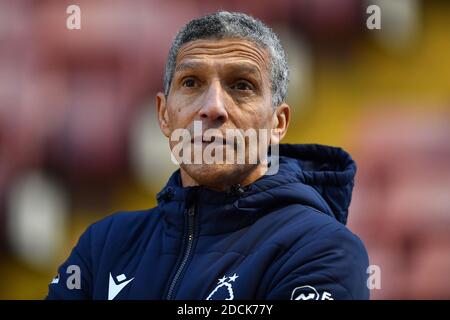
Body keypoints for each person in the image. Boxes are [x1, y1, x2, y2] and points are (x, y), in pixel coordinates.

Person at [47, 11, 369, 300]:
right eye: (191, 82)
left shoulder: (324, 251)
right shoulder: (103, 246)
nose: (212, 107)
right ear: (163, 115)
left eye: (241, 85)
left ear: (278, 123)